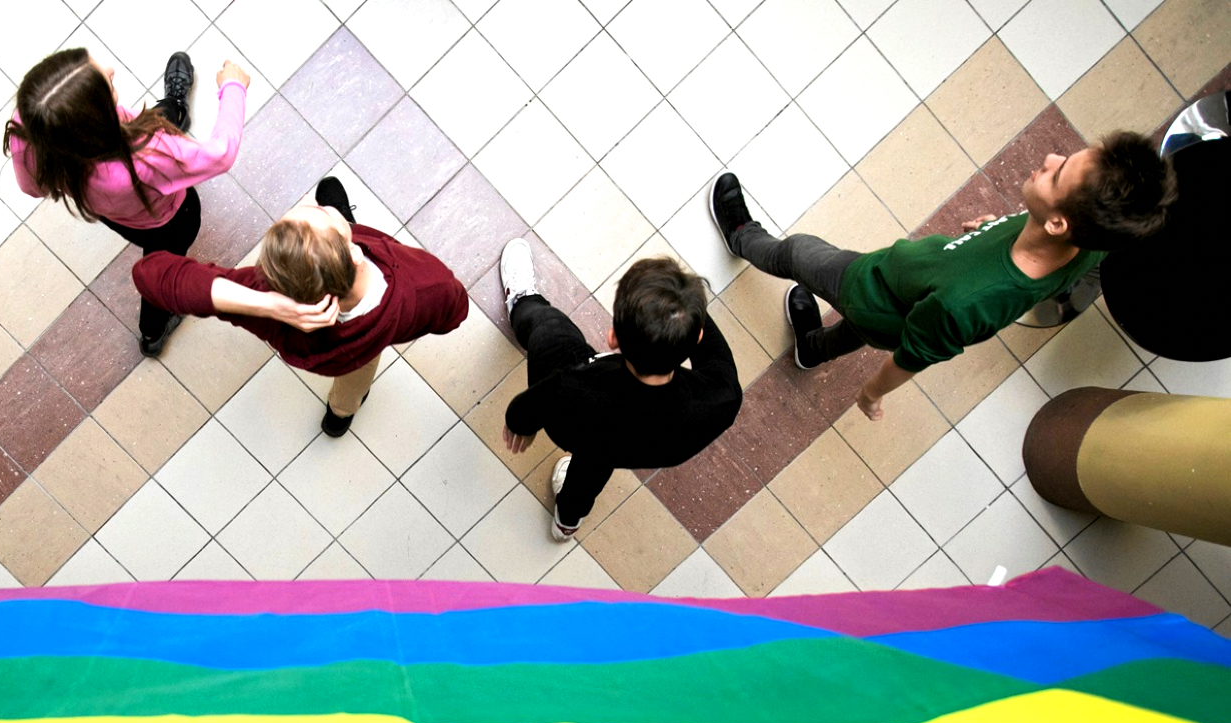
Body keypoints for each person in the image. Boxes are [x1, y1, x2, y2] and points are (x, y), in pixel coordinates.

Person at [709, 130, 1176, 420]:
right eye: (1066, 159)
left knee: (798, 253)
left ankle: (742, 237)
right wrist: (991, 230)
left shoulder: (966, 301)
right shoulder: (1086, 243)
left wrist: (871, 395)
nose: (1051, 159)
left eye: (1058, 175)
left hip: (871, 289)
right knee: (857, 333)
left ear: (1057, 223)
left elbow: (913, 357)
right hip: (905, 304)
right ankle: (811, 349)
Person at [132, 177, 468, 436]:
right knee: (361, 371)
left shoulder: (267, 296)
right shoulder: (423, 288)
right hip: (384, 325)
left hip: (338, 348)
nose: (310, 198)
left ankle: (341, 414)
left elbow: (150, 274)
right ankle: (340, 414)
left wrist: (264, 304)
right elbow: (455, 310)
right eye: (320, 211)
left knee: (355, 371)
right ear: (354, 252)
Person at [6, 48, 251, 355]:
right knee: (161, 274)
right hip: (171, 219)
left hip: (117, 216)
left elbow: (32, 188)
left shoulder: (30, 128)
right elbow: (220, 154)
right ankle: (153, 332)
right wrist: (233, 87)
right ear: (96, 118)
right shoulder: (149, 156)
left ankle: (175, 107)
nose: (111, 70)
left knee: (158, 120)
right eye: (106, 83)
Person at [499, 242, 742, 542]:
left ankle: (522, 301)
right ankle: (567, 522)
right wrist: (681, 308)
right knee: (594, 466)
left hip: (585, 427)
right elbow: (715, 357)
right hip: (639, 445)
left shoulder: (572, 387)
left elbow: (531, 405)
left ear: (613, 338)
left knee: (547, 326)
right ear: (698, 339)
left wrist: (519, 424)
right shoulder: (721, 398)